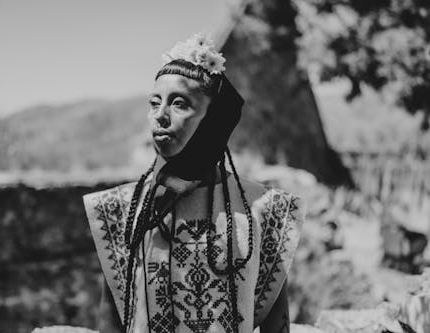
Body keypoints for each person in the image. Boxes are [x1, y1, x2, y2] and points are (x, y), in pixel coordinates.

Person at [83, 33, 306, 333]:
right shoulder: (122, 209)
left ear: (213, 119)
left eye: (179, 103)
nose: (159, 116)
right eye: (154, 103)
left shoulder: (264, 210)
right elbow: (112, 317)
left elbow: (276, 325)